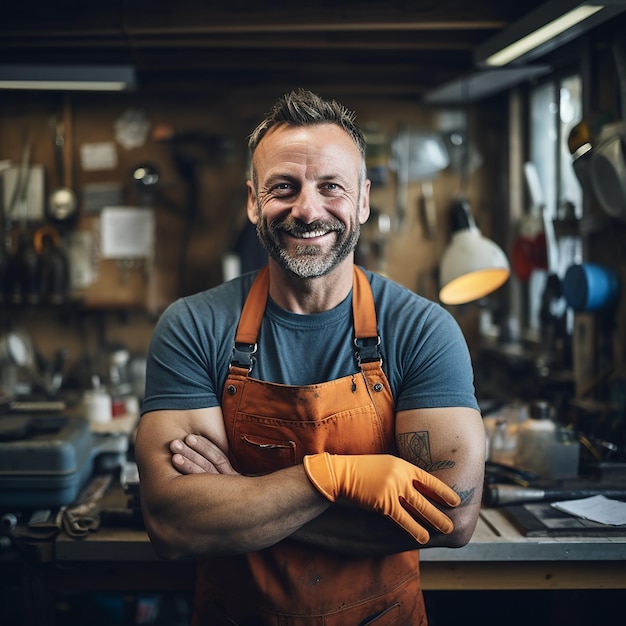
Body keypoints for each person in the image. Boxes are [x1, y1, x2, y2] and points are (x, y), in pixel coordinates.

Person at [135, 88, 486, 626]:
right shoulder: (194, 326)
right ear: (254, 202)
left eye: (331, 187)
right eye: (284, 187)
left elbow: (449, 517)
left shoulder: (421, 330)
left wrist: (242, 499)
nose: (307, 209)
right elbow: (174, 525)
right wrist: (336, 479)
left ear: (363, 201)